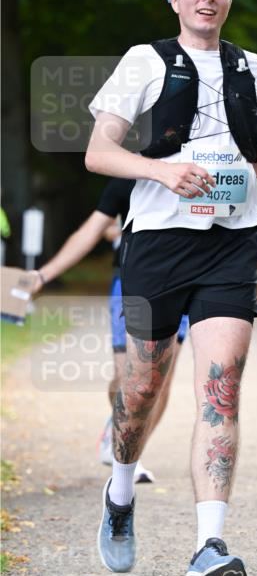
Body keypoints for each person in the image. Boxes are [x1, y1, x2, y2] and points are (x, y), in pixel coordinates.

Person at [85, 0, 257, 576]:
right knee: (139, 394)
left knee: (220, 390)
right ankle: (121, 493)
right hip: (156, 243)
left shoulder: (251, 67)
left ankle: (209, 544)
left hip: (230, 243)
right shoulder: (145, 61)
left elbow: (254, 149)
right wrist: (159, 170)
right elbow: (99, 154)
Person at [28, 177, 189, 482]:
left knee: (160, 380)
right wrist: (42, 275)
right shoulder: (128, 179)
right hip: (132, 283)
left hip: (184, 284)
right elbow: (90, 231)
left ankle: (129, 456)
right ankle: (117, 426)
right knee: (131, 376)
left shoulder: (200, 170)